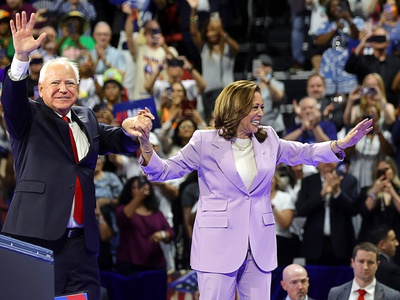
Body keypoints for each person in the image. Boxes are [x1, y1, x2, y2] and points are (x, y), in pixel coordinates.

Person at [135, 79, 373, 299]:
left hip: (259, 245)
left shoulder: (268, 137)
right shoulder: (204, 141)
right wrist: (145, 144)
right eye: (254, 107)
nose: (261, 113)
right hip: (217, 245)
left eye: (261, 107)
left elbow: (304, 152)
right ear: (235, 107)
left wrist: (340, 145)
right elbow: (163, 171)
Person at [0, 12, 153, 300]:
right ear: (40, 89)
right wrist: (20, 59)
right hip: (38, 240)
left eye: (70, 83)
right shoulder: (28, 116)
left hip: (82, 246)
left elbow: (115, 139)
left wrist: (131, 130)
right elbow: (12, 100)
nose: (63, 89)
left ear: (79, 88)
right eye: (55, 83)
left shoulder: (86, 117)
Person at [296, 161, 359, 266]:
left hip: (341, 245)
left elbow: (354, 209)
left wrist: (336, 191)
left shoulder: (349, 180)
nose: (327, 161)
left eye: (330, 157)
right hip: (314, 245)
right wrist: (322, 194)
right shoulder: (308, 181)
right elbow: (301, 210)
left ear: (337, 160)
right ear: (316, 162)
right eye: (323, 158)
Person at [327, 242, 400, 300]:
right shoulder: (335, 293)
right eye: (361, 261)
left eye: (370, 262)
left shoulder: (392, 296)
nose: (365, 267)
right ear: (353, 263)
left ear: (377, 265)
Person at [369, 225, 400, 291]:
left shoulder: (365, 265)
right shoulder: (391, 269)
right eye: (393, 240)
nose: (397, 243)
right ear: (382, 244)